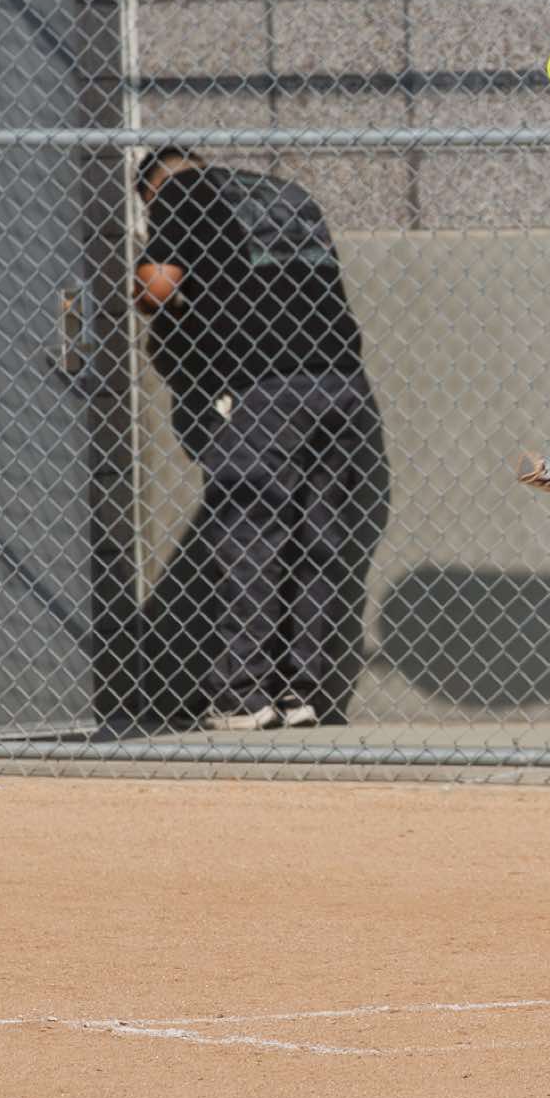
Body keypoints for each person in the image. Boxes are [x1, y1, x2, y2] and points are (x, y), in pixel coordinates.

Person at [134, 148, 389, 731]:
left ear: (149, 191)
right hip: (342, 383)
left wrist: (138, 293)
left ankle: (241, 693)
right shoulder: (287, 196)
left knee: (249, 536)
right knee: (316, 537)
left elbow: (158, 287)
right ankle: (300, 691)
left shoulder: (179, 194)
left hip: (268, 385)